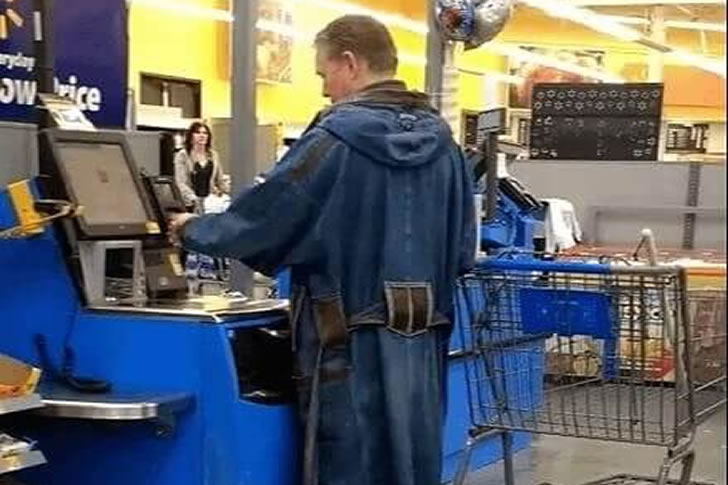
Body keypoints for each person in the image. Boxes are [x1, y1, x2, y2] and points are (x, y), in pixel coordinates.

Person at [170, 15, 475, 485]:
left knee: (349, 467)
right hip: (422, 353)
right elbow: (462, 253)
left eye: (323, 74)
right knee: (412, 467)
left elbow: (263, 221)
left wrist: (191, 228)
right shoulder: (446, 149)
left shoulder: (333, 142)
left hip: (346, 353)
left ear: (350, 63)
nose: (324, 90)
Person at [174, 121, 225, 213]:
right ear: (191, 136)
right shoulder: (182, 155)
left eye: (205, 133)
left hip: (210, 203)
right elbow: (181, 182)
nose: (202, 136)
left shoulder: (214, 155)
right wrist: (194, 199)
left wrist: (222, 193)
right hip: (190, 203)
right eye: (198, 133)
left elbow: (220, 180)